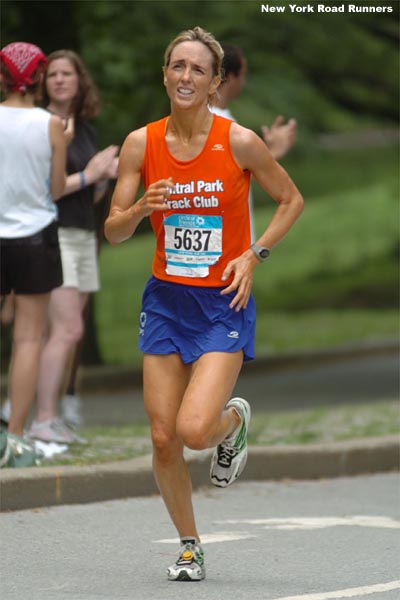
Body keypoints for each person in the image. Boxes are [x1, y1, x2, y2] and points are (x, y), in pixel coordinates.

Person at [105, 26, 303, 582]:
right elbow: (114, 232)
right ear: (164, 74)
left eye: (198, 69)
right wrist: (141, 207)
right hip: (167, 301)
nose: (185, 76)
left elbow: (291, 199)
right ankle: (190, 545)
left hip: (222, 303)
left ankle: (233, 419)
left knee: (194, 431)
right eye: (177, 66)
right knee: (164, 436)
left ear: (216, 82)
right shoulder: (140, 144)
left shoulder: (238, 141)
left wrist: (255, 254)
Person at [29, 50, 119, 444]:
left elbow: (90, 198)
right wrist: (90, 174)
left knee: (67, 330)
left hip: (83, 233)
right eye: (52, 75)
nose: (60, 80)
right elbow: (44, 191)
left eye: (68, 74)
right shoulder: (40, 125)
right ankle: (42, 419)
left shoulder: (84, 130)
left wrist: (103, 180)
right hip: (55, 233)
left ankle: (48, 415)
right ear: (42, 83)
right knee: (66, 328)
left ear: (81, 81)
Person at [0, 42, 68, 465]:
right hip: (35, 239)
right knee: (28, 339)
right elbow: (57, 190)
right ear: (40, 78)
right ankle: (16, 440)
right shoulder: (52, 125)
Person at [212, 42, 297, 241]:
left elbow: (232, 170)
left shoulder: (222, 119)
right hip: (223, 252)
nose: (244, 82)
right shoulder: (214, 123)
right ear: (231, 77)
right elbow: (219, 180)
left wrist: (265, 153)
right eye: (244, 74)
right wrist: (272, 153)